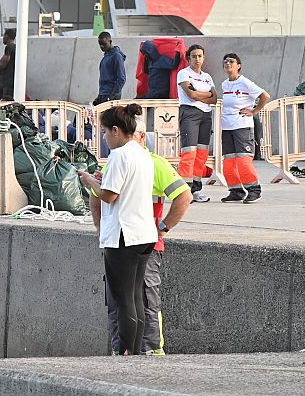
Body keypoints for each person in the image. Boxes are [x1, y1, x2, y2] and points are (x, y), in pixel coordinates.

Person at [76, 104, 158, 356]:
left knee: (123, 299)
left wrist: (89, 180)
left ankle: (126, 352)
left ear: (115, 130)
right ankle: (136, 351)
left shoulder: (119, 155)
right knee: (135, 297)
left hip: (123, 235)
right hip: (144, 233)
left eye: (104, 131)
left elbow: (110, 195)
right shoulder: (142, 153)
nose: (103, 137)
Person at [103, 130, 193, 356]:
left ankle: (150, 352)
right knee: (122, 301)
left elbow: (184, 196)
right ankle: (124, 351)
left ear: (141, 136)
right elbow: (101, 199)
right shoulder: (118, 160)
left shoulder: (154, 163)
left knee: (143, 300)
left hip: (142, 243)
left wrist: (163, 228)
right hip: (120, 241)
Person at [218, 52, 268, 203]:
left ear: (238, 65)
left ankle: (254, 189)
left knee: (242, 159)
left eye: (232, 61)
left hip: (242, 126)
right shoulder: (225, 84)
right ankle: (236, 190)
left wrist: (254, 111)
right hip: (227, 127)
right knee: (228, 161)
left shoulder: (245, 82)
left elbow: (265, 96)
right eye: (225, 61)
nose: (228, 64)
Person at [176, 44, 217, 196]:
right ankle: (184, 190)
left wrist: (199, 93)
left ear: (203, 58)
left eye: (200, 56)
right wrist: (205, 94)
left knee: (202, 153)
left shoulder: (207, 77)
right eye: (194, 56)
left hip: (206, 115)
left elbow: (214, 98)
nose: (197, 59)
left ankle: (196, 188)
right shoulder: (183, 73)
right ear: (188, 58)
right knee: (189, 152)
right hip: (189, 113)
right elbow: (190, 95)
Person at [95, 32, 126, 104]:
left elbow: (121, 78)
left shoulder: (117, 56)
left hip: (111, 96)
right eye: (100, 44)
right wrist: (99, 96)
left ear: (110, 42)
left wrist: (113, 95)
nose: (102, 46)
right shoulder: (105, 57)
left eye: (104, 44)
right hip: (103, 94)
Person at [0, 28, 16, 100]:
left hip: (8, 80)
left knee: (6, 100)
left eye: (4, 36)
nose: (3, 38)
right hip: (13, 80)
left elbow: (3, 63)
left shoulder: (9, 47)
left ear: (7, 36)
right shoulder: (15, 47)